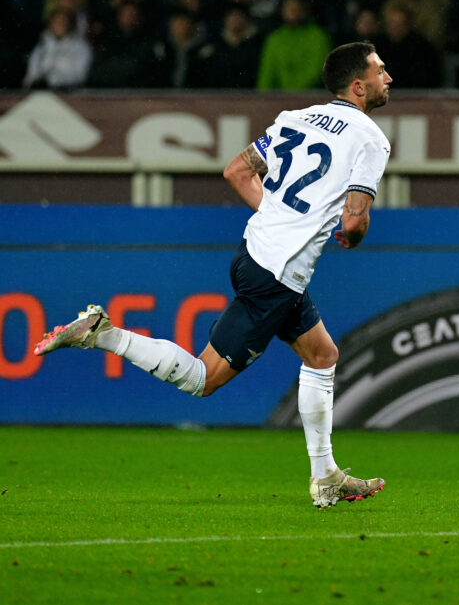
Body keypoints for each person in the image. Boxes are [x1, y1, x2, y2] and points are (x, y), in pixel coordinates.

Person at [36, 41, 393, 509]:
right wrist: (352, 236)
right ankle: (103, 334)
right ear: (358, 85)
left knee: (322, 354)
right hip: (278, 273)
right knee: (203, 379)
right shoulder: (371, 138)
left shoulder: (295, 118)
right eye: (381, 70)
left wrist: (281, 218)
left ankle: (326, 474)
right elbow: (355, 219)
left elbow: (237, 172)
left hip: (256, 254)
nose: (389, 78)